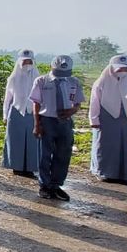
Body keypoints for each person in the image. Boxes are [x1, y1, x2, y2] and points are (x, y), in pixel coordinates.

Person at [29, 55, 85, 201]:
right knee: (44, 155)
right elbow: (36, 103)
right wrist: (37, 124)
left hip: (65, 121)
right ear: (51, 68)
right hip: (47, 120)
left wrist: (72, 111)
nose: (61, 77)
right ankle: (44, 186)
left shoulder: (73, 82)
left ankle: (56, 184)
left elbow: (78, 103)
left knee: (63, 154)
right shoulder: (41, 81)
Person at [89, 54, 127, 183]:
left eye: (125, 69)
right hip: (106, 117)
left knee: (125, 145)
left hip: (126, 117)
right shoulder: (101, 82)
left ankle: (124, 173)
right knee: (105, 145)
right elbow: (94, 102)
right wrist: (94, 120)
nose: (122, 72)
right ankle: (104, 171)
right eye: (119, 69)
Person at [2, 49, 39, 178]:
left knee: (32, 141)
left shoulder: (38, 78)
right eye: (25, 61)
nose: (27, 64)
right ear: (19, 62)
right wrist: (5, 115)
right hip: (16, 113)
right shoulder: (13, 78)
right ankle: (16, 166)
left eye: (30, 61)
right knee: (15, 140)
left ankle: (30, 167)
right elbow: (8, 98)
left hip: (33, 113)